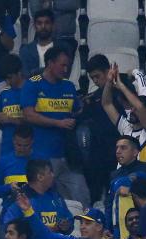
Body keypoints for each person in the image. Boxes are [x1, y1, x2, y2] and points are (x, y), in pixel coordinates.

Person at [21, 46, 89, 202]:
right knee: (43, 199)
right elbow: (29, 115)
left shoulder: (69, 86)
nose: (65, 69)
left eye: (67, 66)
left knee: (82, 196)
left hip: (68, 157)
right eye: (62, 65)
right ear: (50, 63)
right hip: (42, 155)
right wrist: (58, 123)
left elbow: (77, 113)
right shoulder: (33, 84)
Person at [103, 68, 146, 185]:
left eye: (135, 108)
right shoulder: (126, 127)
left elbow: (139, 106)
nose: (131, 110)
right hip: (128, 174)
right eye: (131, 107)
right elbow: (107, 104)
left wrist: (121, 86)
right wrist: (109, 82)